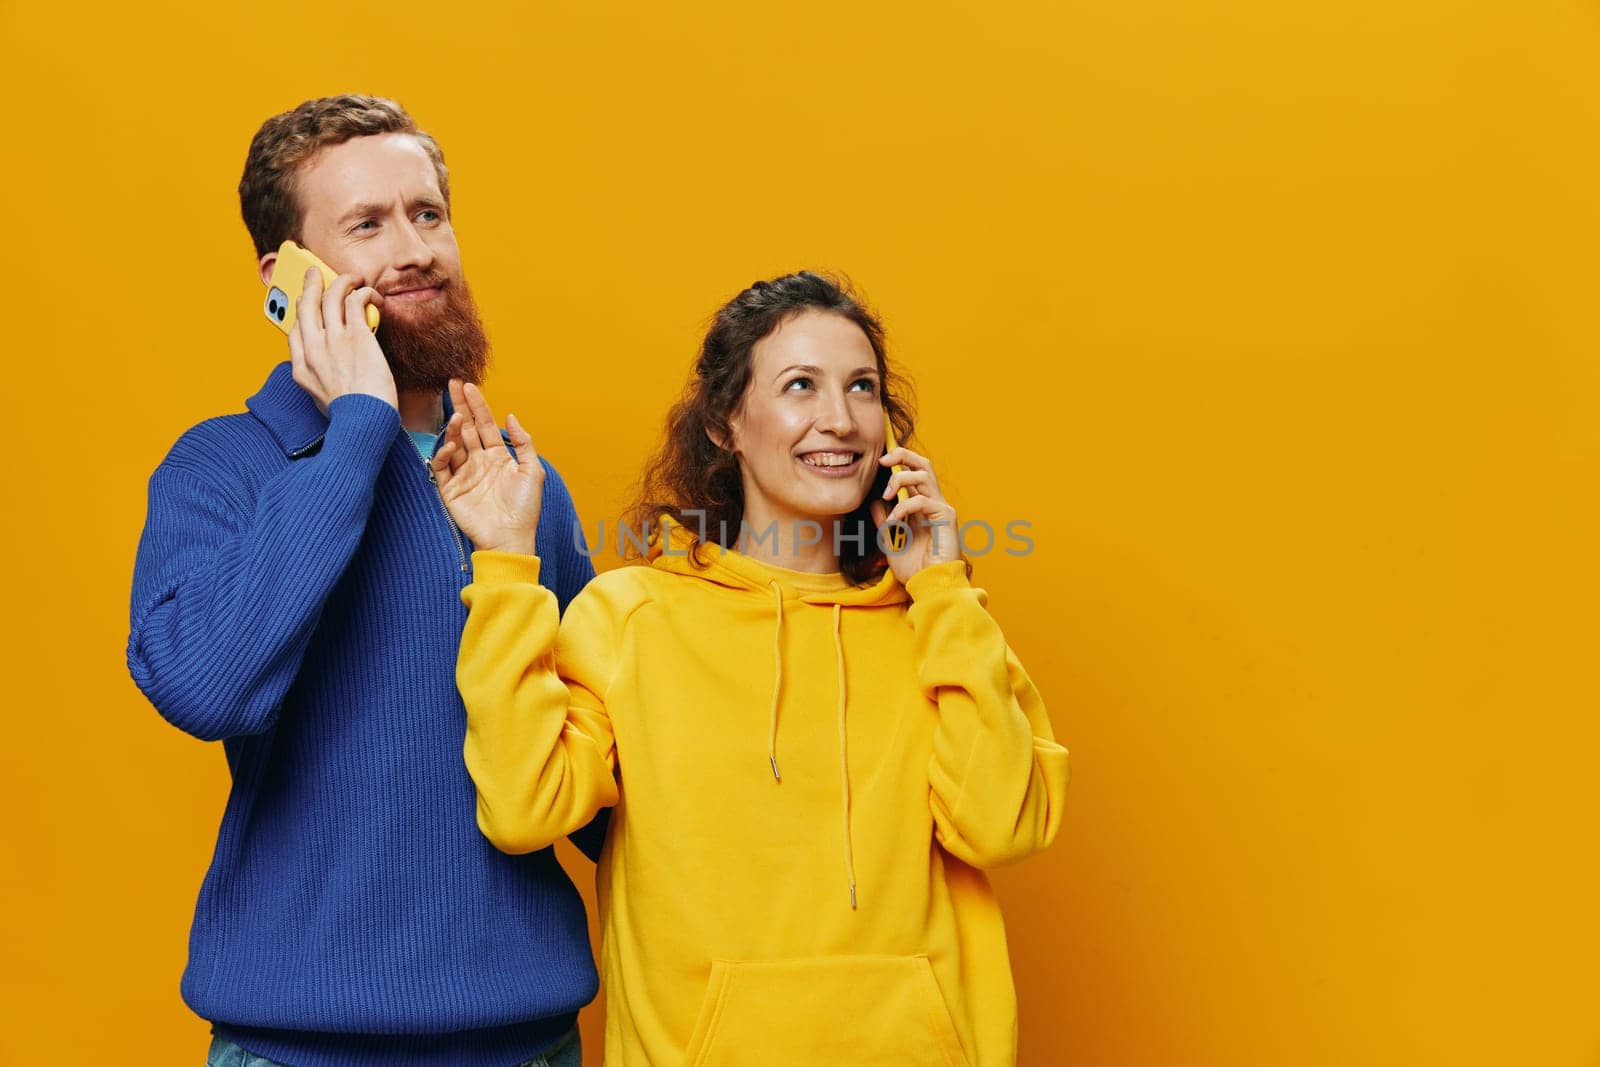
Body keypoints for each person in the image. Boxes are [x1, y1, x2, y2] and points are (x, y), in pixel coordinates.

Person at [434, 270, 1069, 1065]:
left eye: (862, 388)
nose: (839, 420)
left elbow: (1002, 825)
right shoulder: (631, 617)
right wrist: (503, 564)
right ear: (727, 423)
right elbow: (524, 807)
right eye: (800, 385)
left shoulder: (940, 625)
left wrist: (942, 586)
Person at [126, 94, 597, 1067]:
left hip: (529, 1037)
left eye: (427, 214)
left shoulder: (516, 482)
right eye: (368, 225)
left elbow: (594, 768)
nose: (414, 246)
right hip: (300, 1045)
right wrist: (355, 434)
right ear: (288, 277)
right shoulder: (224, 466)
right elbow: (206, 686)